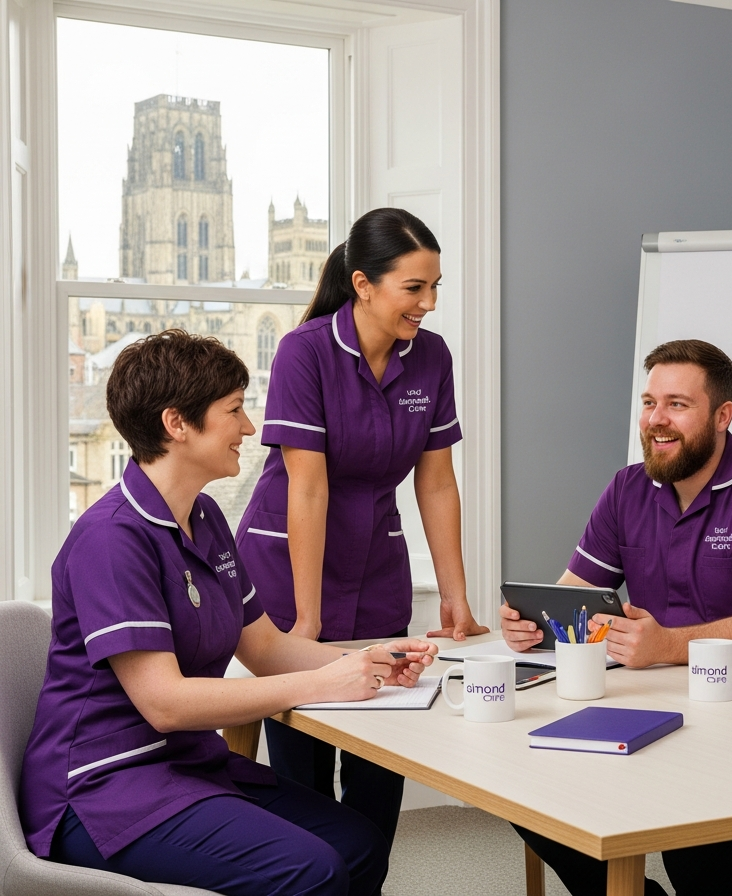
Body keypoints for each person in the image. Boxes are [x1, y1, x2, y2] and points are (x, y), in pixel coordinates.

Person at [20, 331, 438, 896]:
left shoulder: (207, 517)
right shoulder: (111, 538)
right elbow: (165, 704)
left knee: (358, 844)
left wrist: (367, 661)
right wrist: (320, 683)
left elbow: (264, 647)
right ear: (177, 424)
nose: (249, 428)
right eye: (234, 410)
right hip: (104, 788)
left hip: (185, 765)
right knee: (310, 870)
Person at [501, 339, 732, 896]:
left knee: (697, 834)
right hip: (646, 695)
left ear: (723, 416)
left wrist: (668, 645)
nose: (656, 420)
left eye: (676, 404)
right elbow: (575, 592)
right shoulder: (628, 487)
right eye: (649, 403)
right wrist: (532, 620)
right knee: (523, 786)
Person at [236, 207, 486, 846]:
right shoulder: (306, 352)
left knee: (381, 761)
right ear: (363, 284)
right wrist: (308, 624)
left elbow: (435, 482)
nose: (428, 303)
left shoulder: (430, 357)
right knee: (305, 770)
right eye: (414, 288)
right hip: (292, 565)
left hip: (375, 567)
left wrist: (457, 596)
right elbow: (308, 486)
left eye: (435, 287)